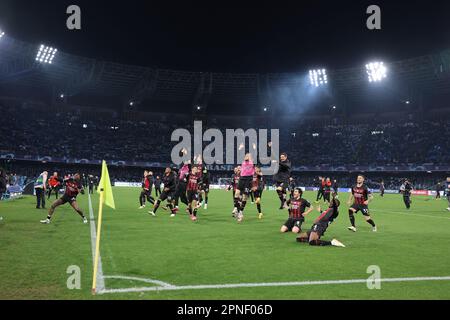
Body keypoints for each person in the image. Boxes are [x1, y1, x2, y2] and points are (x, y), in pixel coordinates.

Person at [235, 153, 255, 223]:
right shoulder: (243, 162)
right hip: (242, 179)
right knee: (236, 195)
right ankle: (238, 210)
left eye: (248, 156)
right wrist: (240, 149)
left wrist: (254, 149)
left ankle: (240, 212)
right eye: (245, 156)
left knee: (244, 197)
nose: (246, 157)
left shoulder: (252, 163)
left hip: (248, 180)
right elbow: (239, 155)